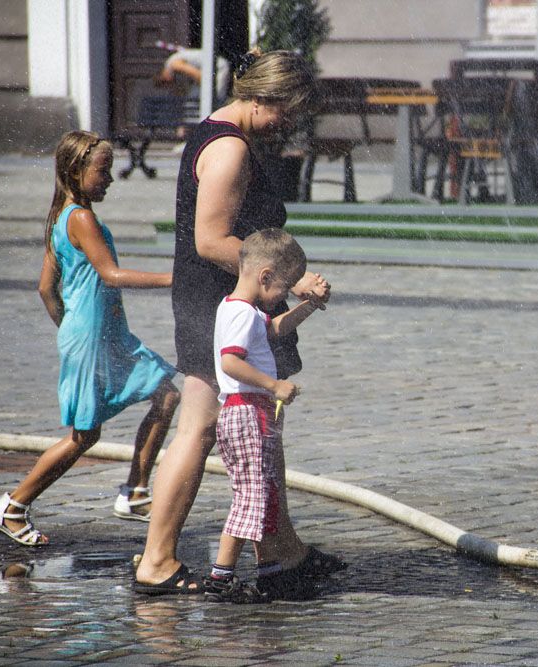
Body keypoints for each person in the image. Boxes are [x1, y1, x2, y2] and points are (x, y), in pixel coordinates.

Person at [133, 50, 337, 596]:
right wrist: (286, 279)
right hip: (220, 303)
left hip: (230, 299)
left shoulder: (224, 134)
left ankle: (281, 550)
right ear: (265, 97)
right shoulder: (228, 149)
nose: (288, 123)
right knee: (198, 428)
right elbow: (210, 239)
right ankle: (156, 560)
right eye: (287, 111)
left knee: (259, 426)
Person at [0, 131, 180, 546]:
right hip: (95, 338)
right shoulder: (81, 218)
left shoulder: (61, 217)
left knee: (166, 395)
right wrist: (174, 278)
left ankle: (136, 492)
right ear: (77, 171)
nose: (110, 179)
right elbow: (110, 274)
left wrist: (71, 329)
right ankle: (14, 506)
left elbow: (45, 289)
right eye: (103, 170)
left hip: (99, 335)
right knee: (84, 435)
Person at [204, 229, 329, 603]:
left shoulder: (239, 309)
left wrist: (310, 306)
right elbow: (230, 361)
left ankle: (270, 573)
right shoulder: (241, 313)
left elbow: (273, 329)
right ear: (265, 276)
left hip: (248, 413)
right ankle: (221, 578)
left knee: (265, 494)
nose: (286, 295)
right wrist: (274, 386)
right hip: (247, 411)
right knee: (251, 497)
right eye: (286, 288)